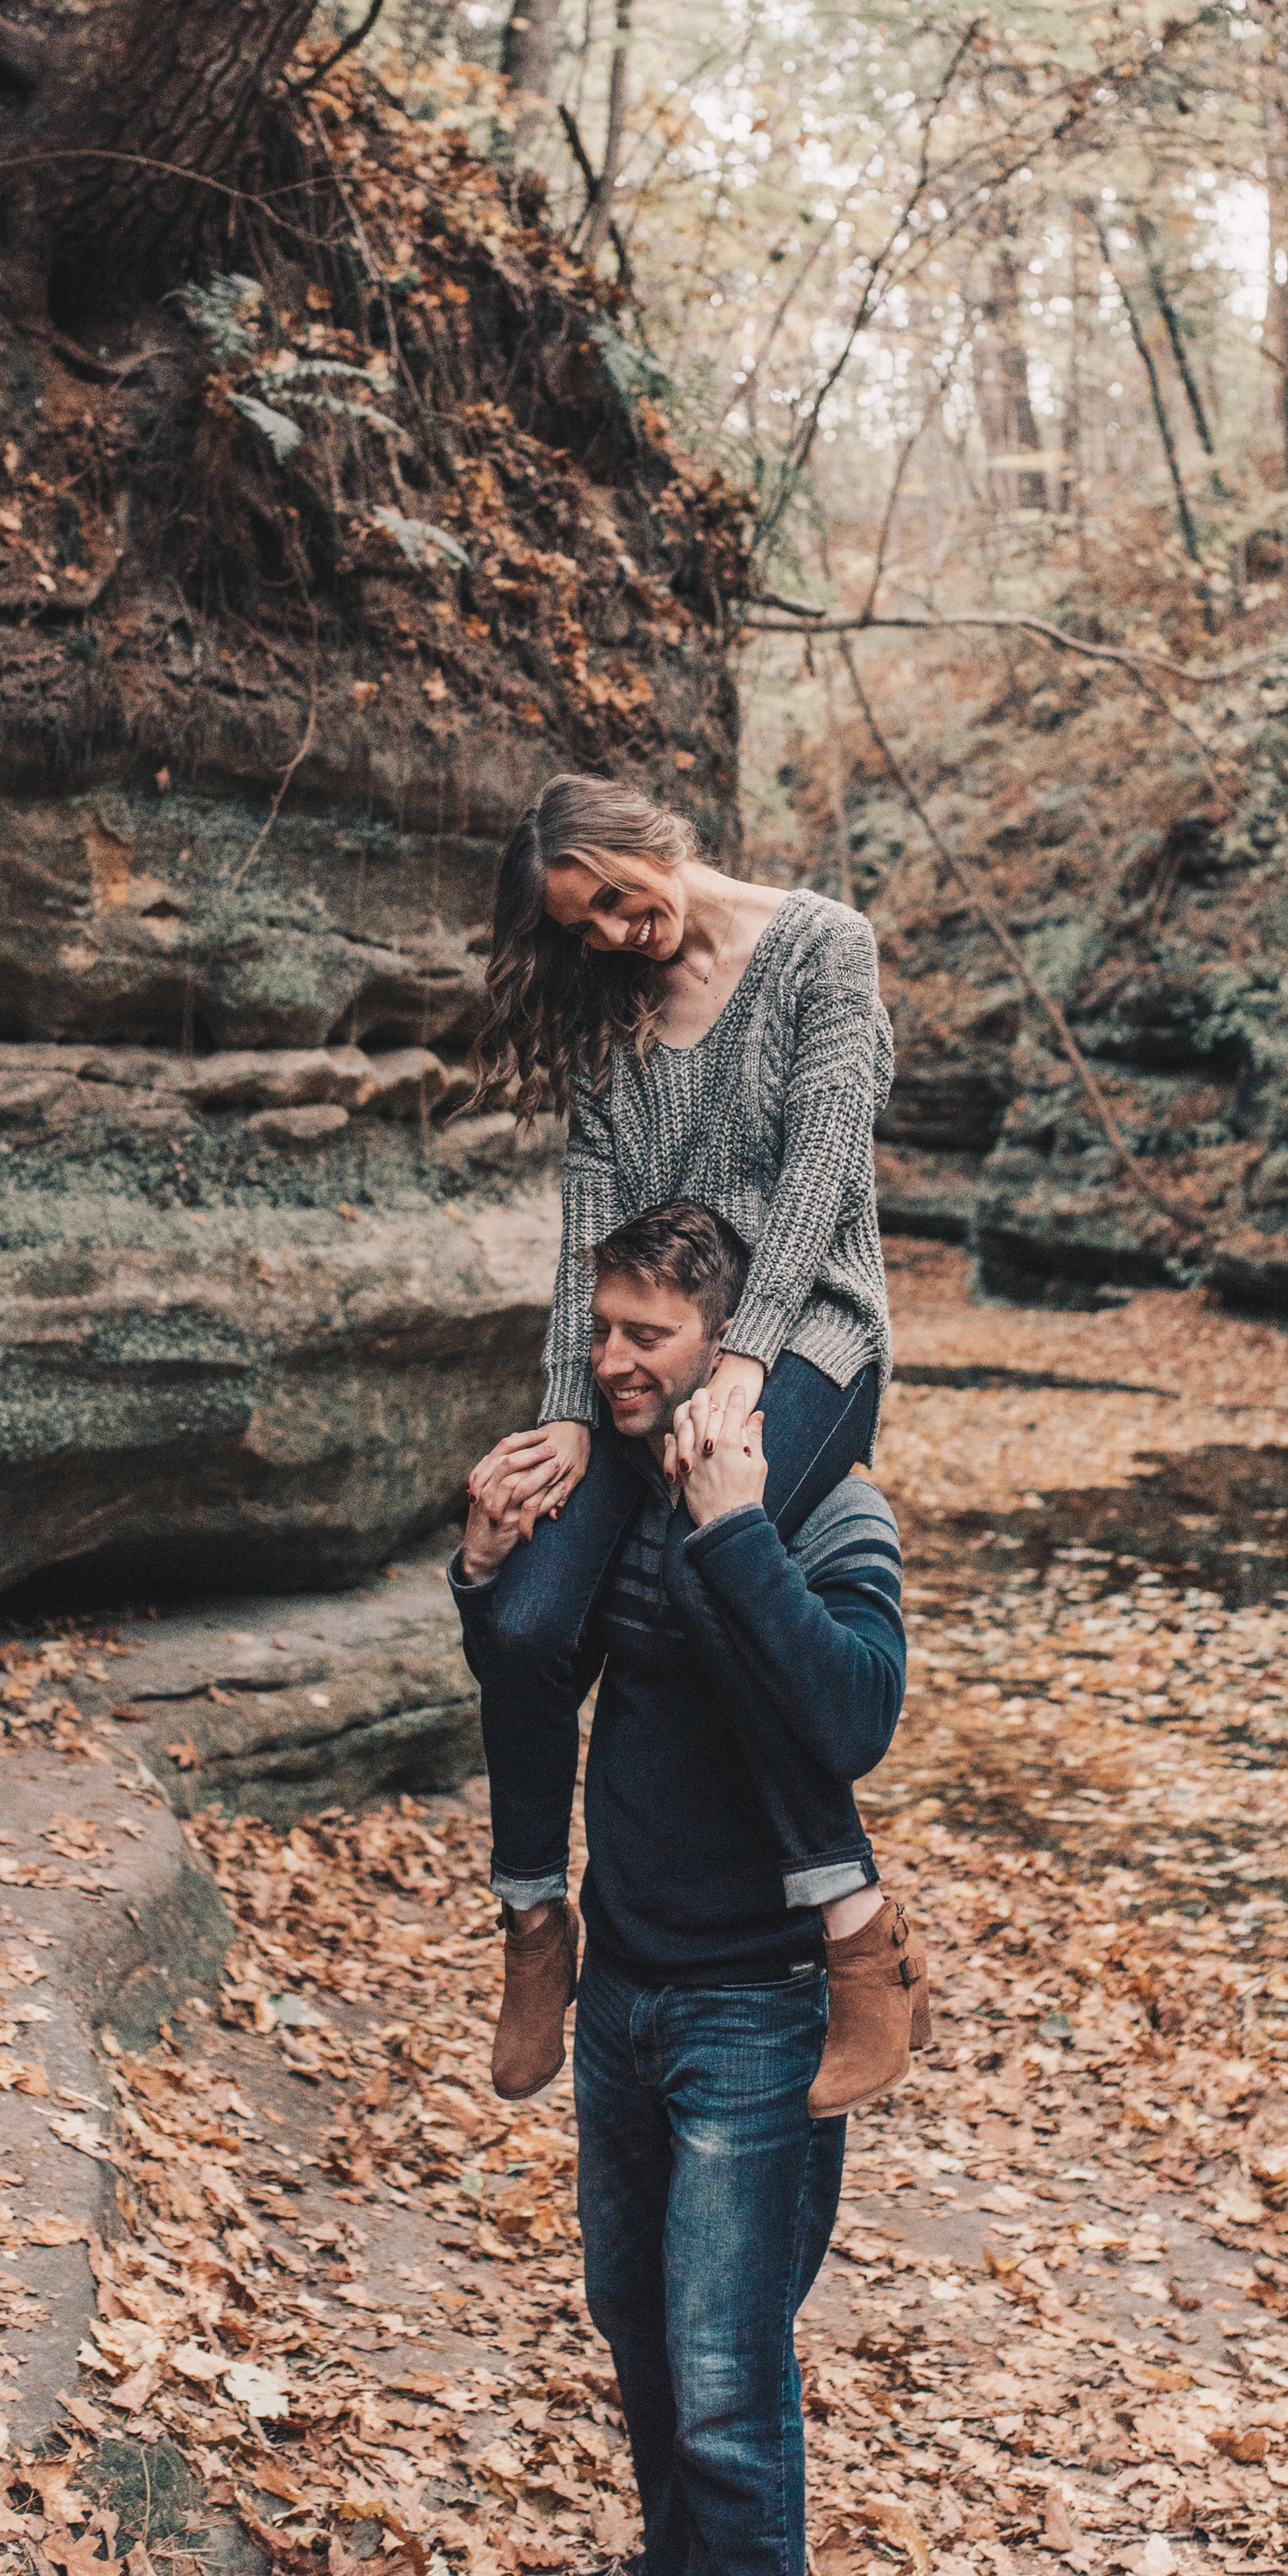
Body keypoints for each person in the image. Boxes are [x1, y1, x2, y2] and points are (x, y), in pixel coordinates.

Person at [450, 1202, 917, 2576]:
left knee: (728, 2373)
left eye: (644, 1337)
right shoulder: (622, 1499)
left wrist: (735, 1530)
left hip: (763, 2005)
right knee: (631, 2312)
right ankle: (670, 2567)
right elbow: (537, 1668)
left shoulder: (832, 1506)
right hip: (626, 1986)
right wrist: (483, 1566)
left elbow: (850, 1716)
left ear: (731, 1349)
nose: (609, 1362)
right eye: (602, 1331)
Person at [466, 771, 914, 2115]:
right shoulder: (609, 1014)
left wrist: (753, 1359)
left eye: (613, 894)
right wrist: (563, 1406)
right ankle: (538, 1918)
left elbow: (829, 1168)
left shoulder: (824, 947)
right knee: (535, 1605)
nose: (610, 932)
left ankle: (857, 1930)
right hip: (651, 1369)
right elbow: (585, 1234)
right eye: (579, 922)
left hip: (812, 1332)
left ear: (653, 841)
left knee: (713, 1553)